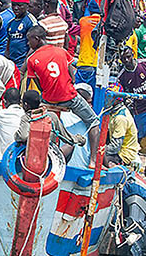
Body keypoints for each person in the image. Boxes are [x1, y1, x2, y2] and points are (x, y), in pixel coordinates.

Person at [25, 25, 100, 164]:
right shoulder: (61, 51)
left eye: (29, 41)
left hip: (49, 99)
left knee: (43, 124)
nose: (28, 44)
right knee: (94, 122)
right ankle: (93, 161)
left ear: (37, 39)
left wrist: (47, 93)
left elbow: (37, 83)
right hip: (69, 96)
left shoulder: (32, 60)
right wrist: (70, 82)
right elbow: (71, 69)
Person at [118, 46, 146, 175]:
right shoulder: (122, 75)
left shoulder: (145, 65)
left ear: (133, 54)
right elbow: (124, 94)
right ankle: (134, 163)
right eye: (124, 59)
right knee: (137, 137)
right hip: (139, 111)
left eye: (128, 56)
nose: (127, 60)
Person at [4, 0, 38, 69]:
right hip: (12, 64)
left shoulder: (30, 21)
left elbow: (34, 46)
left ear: (27, 5)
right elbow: (8, 45)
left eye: (19, 5)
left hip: (24, 64)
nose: (16, 8)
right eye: (14, 5)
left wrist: (24, 65)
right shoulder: (10, 23)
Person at [104, 103, 141, 171]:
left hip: (124, 154)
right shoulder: (116, 112)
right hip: (121, 150)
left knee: (99, 155)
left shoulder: (120, 118)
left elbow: (115, 147)